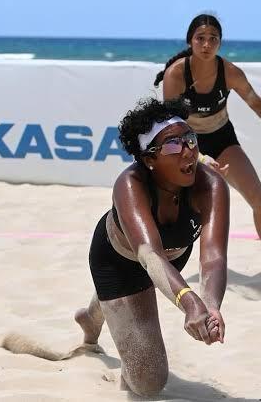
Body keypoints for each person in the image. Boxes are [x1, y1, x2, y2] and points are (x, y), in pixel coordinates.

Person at [70, 97, 230, 396]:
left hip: (171, 260)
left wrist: (210, 307)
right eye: (173, 145)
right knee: (149, 383)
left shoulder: (211, 185)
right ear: (149, 160)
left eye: (190, 139)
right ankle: (101, 310)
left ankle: (95, 314)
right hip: (119, 264)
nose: (188, 150)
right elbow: (150, 255)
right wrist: (190, 302)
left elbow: (213, 257)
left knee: (155, 294)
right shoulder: (129, 184)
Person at [154, 14, 261, 288]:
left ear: (220, 43)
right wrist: (200, 157)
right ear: (190, 41)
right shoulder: (176, 74)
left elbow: (256, 103)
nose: (206, 44)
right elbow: (172, 127)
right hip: (185, 144)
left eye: (213, 39)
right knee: (172, 210)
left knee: (259, 200)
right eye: (200, 38)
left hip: (222, 138)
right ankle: (158, 270)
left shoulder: (230, 72)